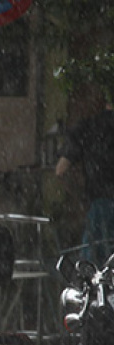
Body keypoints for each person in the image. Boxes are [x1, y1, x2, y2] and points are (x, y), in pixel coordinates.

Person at [56, 94, 114, 264]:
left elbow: (61, 170)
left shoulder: (89, 127)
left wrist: (77, 193)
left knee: (93, 267)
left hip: (100, 204)